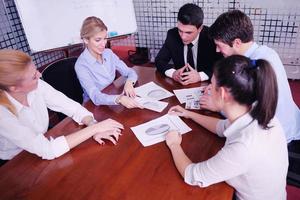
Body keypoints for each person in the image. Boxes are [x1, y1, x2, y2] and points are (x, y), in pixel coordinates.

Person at [166, 55, 288, 200]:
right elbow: (221, 127)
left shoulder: (244, 147)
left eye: (211, 84)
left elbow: (193, 175)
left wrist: (174, 144)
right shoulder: (257, 111)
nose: (208, 88)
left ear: (223, 93)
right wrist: (189, 114)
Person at [0, 49, 124, 164]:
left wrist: (92, 124)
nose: (39, 75)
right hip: (15, 163)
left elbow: (72, 107)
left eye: (36, 70)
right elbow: (47, 150)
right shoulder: (2, 114)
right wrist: (94, 129)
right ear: (14, 88)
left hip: (43, 145)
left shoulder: (38, 86)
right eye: (33, 76)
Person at [201, 10, 300, 143]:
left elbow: (248, 117)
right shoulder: (265, 52)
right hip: (290, 122)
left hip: (277, 137)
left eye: (219, 45)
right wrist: (216, 87)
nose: (217, 50)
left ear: (237, 42)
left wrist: (217, 105)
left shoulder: (254, 68)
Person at [75, 16, 141, 108]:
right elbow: (95, 96)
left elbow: (130, 71)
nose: (103, 44)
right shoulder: (81, 65)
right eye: (98, 40)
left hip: (112, 96)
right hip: (94, 106)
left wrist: (129, 82)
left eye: (105, 38)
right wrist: (119, 99)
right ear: (86, 40)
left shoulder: (108, 53)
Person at [155, 3, 222, 85]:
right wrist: (173, 74)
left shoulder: (211, 37)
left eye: (188, 32)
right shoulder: (172, 35)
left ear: (200, 28)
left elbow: (222, 66)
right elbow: (159, 60)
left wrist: (200, 76)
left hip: (205, 86)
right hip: (179, 86)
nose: (183, 37)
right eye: (180, 30)